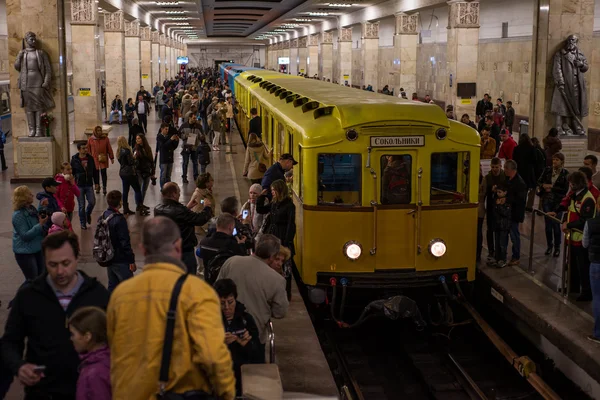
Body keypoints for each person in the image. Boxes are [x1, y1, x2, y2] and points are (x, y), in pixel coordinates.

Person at [107, 217, 236, 400]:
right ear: (178, 246)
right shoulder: (198, 292)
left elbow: (114, 351)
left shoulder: (120, 295)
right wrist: (227, 392)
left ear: (143, 249)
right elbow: (213, 355)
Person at [1, 231, 109, 400]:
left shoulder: (97, 295)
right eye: (52, 264)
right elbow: (9, 342)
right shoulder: (28, 295)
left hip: (85, 391)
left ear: (76, 258)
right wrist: (19, 366)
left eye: (66, 263)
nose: (60, 271)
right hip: (42, 392)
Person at [217, 234, 289, 346]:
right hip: (253, 337)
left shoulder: (231, 262)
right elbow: (280, 312)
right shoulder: (277, 280)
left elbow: (216, 291)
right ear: (272, 256)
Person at [551, 171, 596, 301]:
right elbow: (569, 210)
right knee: (573, 266)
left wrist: (568, 225)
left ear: (577, 184)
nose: (569, 185)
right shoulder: (575, 196)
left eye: (571, 183)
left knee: (583, 267)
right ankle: (573, 287)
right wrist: (564, 219)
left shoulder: (587, 199)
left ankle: (586, 292)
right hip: (572, 238)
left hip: (581, 239)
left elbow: (585, 221)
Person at [214, 279, 263, 396]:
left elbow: (258, 355)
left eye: (230, 302)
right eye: (222, 303)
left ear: (235, 299)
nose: (226, 307)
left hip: (242, 372)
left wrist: (245, 344)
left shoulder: (246, 320)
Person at [155, 182, 213, 274]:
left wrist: (187, 208)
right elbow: (199, 219)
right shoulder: (180, 211)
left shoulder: (158, 209)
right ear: (174, 194)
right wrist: (207, 207)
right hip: (184, 252)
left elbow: (175, 218)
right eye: (178, 191)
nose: (179, 194)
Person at [256, 179, 296, 299]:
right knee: (269, 265)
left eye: (274, 190)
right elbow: (261, 210)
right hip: (271, 239)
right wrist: (261, 198)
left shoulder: (289, 206)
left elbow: (291, 225)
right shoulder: (274, 203)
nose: (272, 192)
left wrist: (286, 242)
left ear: (280, 190)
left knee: (285, 268)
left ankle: (286, 294)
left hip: (282, 238)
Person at [68, 307, 111, 400]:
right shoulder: (107, 361)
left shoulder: (95, 372)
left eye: (72, 334)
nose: (71, 339)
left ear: (87, 336)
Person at [98, 190, 136, 292]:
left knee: (112, 285)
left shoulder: (103, 215)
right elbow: (125, 243)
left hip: (108, 256)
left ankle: (110, 306)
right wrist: (131, 260)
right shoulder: (119, 220)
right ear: (120, 202)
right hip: (120, 259)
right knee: (130, 288)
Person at [12, 186, 47, 280]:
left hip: (37, 247)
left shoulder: (31, 208)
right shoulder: (18, 215)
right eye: (29, 193)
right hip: (25, 251)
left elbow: (35, 218)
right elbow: (25, 236)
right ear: (23, 197)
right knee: (32, 280)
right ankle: (24, 294)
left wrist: (42, 206)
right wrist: (40, 225)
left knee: (41, 277)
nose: (32, 195)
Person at [537, 152, 569, 257]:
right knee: (548, 226)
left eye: (557, 160)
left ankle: (557, 247)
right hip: (547, 201)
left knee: (556, 225)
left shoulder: (565, 173)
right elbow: (539, 181)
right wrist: (543, 186)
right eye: (554, 159)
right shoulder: (547, 170)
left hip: (558, 203)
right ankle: (549, 246)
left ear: (562, 162)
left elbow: (565, 189)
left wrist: (551, 187)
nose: (554, 161)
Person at [199, 214, 247, 280]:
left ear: (216, 225)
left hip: (209, 281)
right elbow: (242, 262)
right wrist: (241, 245)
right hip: (226, 283)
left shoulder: (203, 242)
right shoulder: (233, 246)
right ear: (230, 227)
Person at [582, 205, 600, 344]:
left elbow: (585, 243)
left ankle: (598, 334)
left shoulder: (591, 223)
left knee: (598, 298)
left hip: (596, 264)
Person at [504, 159, 527, 266]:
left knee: (514, 236)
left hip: (514, 214)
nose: (504, 170)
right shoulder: (510, 180)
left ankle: (516, 256)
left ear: (510, 169)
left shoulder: (519, 183)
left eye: (505, 168)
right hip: (509, 213)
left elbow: (519, 199)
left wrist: (506, 199)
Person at [116, 136, 147, 215]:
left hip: (122, 173)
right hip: (129, 173)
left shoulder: (118, 151)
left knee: (125, 191)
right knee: (137, 189)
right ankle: (140, 206)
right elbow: (131, 162)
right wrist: (135, 158)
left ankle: (125, 209)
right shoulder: (127, 151)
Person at [71, 143, 96, 230]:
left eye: (86, 148)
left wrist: (96, 183)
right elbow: (72, 172)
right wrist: (72, 183)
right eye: (83, 148)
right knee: (81, 205)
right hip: (79, 185)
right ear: (79, 149)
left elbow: (95, 171)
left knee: (92, 202)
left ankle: (87, 213)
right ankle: (83, 223)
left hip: (89, 184)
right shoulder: (74, 159)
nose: (86, 150)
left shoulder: (90, 158)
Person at [487, 182, 512, 268]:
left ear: (505, 192)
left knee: (502, 244)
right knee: (497, 243)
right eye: (497, 192)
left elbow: (505, 213)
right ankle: (497, 258)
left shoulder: (506, 202)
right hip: (497, 225)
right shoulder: (496, 200)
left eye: (500, 192)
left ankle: (503, 259)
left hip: (503, 226)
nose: (498, 194)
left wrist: (499, 206)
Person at [512, 134, 538, 211]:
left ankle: (518, 205)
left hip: (519, 171)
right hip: (528, 172)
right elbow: (535, 160)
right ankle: (524, 205)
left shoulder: (516, 148)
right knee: (526, 189)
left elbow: (514, 160)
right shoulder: (532, 148)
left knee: (518, 189)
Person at [87, 125, 114, 195]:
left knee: (103, 173)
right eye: (97, 131)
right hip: (94, 159)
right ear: (95, 131)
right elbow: (88, 149)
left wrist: (112, 157)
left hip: (103, 158)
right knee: (96, 174)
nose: (99, 132)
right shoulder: (91, 139)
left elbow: (109, 148)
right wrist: (89, 159)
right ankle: (97, 186)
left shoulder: (105, 138)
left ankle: (104, 187)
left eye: (100, 130)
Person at [179, 114, 203, 184]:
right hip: (186, 146)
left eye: (195, 118)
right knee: (185, 163)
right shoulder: (184, 125)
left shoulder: (199, 126)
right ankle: (184, 177)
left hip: (195, 147)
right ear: (189, 118)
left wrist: (201, 137)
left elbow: (202, 135)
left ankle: (196, 176)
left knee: (195, 162)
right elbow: (179, 133)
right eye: (194, 118)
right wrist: (185, 136)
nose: (195, 120)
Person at [133, 133, 154, 205]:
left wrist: (153, 172)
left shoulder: (148, 148)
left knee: (144, 189)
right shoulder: (136, 149)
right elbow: (133, 160)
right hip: (139, 171)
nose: (137, 140)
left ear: (142, 139)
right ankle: (138, 205)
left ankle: (141, 204)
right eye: (136, 139)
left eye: (139, 138)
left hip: (147, 171)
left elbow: (151, 160)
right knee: (138, 189)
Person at [156, 122, 179, 189]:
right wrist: (170, 140)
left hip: (170, 158)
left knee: (168, 175)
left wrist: (176, 141)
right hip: (164, 159)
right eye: (166, 129)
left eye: (168, 129)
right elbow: (163, 147)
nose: (167, 131)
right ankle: (162, 188)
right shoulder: (159, 137)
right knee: (163, 175)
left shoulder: (169, 136)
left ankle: (168, 188)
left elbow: (173, 147)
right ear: (162, 129)